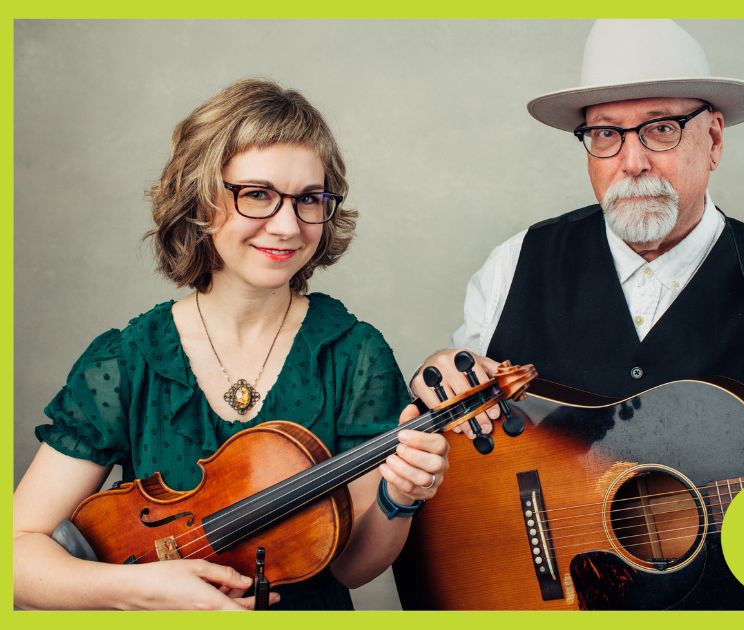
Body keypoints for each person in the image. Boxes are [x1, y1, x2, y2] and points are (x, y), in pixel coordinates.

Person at [411, 20, 744, 610]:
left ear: (715, 139)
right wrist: (444, 383)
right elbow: (462, 461)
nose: (633, 161)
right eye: (606, 134)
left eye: (662, 129)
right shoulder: (512, 266)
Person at [13, 79, 449, 610]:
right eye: (258, 194)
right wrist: (136, 591)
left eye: (309, 199)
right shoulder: (127, 362)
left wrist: (398, 497)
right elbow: (16, 555)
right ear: (200, 197)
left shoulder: (354, 356)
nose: (287, 226)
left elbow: (352, 568)